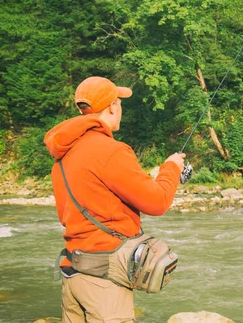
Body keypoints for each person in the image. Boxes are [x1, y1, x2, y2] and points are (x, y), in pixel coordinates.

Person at [44, 76, 185, 323]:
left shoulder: (62, 156)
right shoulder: (111, 150)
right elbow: (158, 202)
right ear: (112, 107)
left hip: (73, 272)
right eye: (119, 102)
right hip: (103, 281)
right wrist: (171, 168)